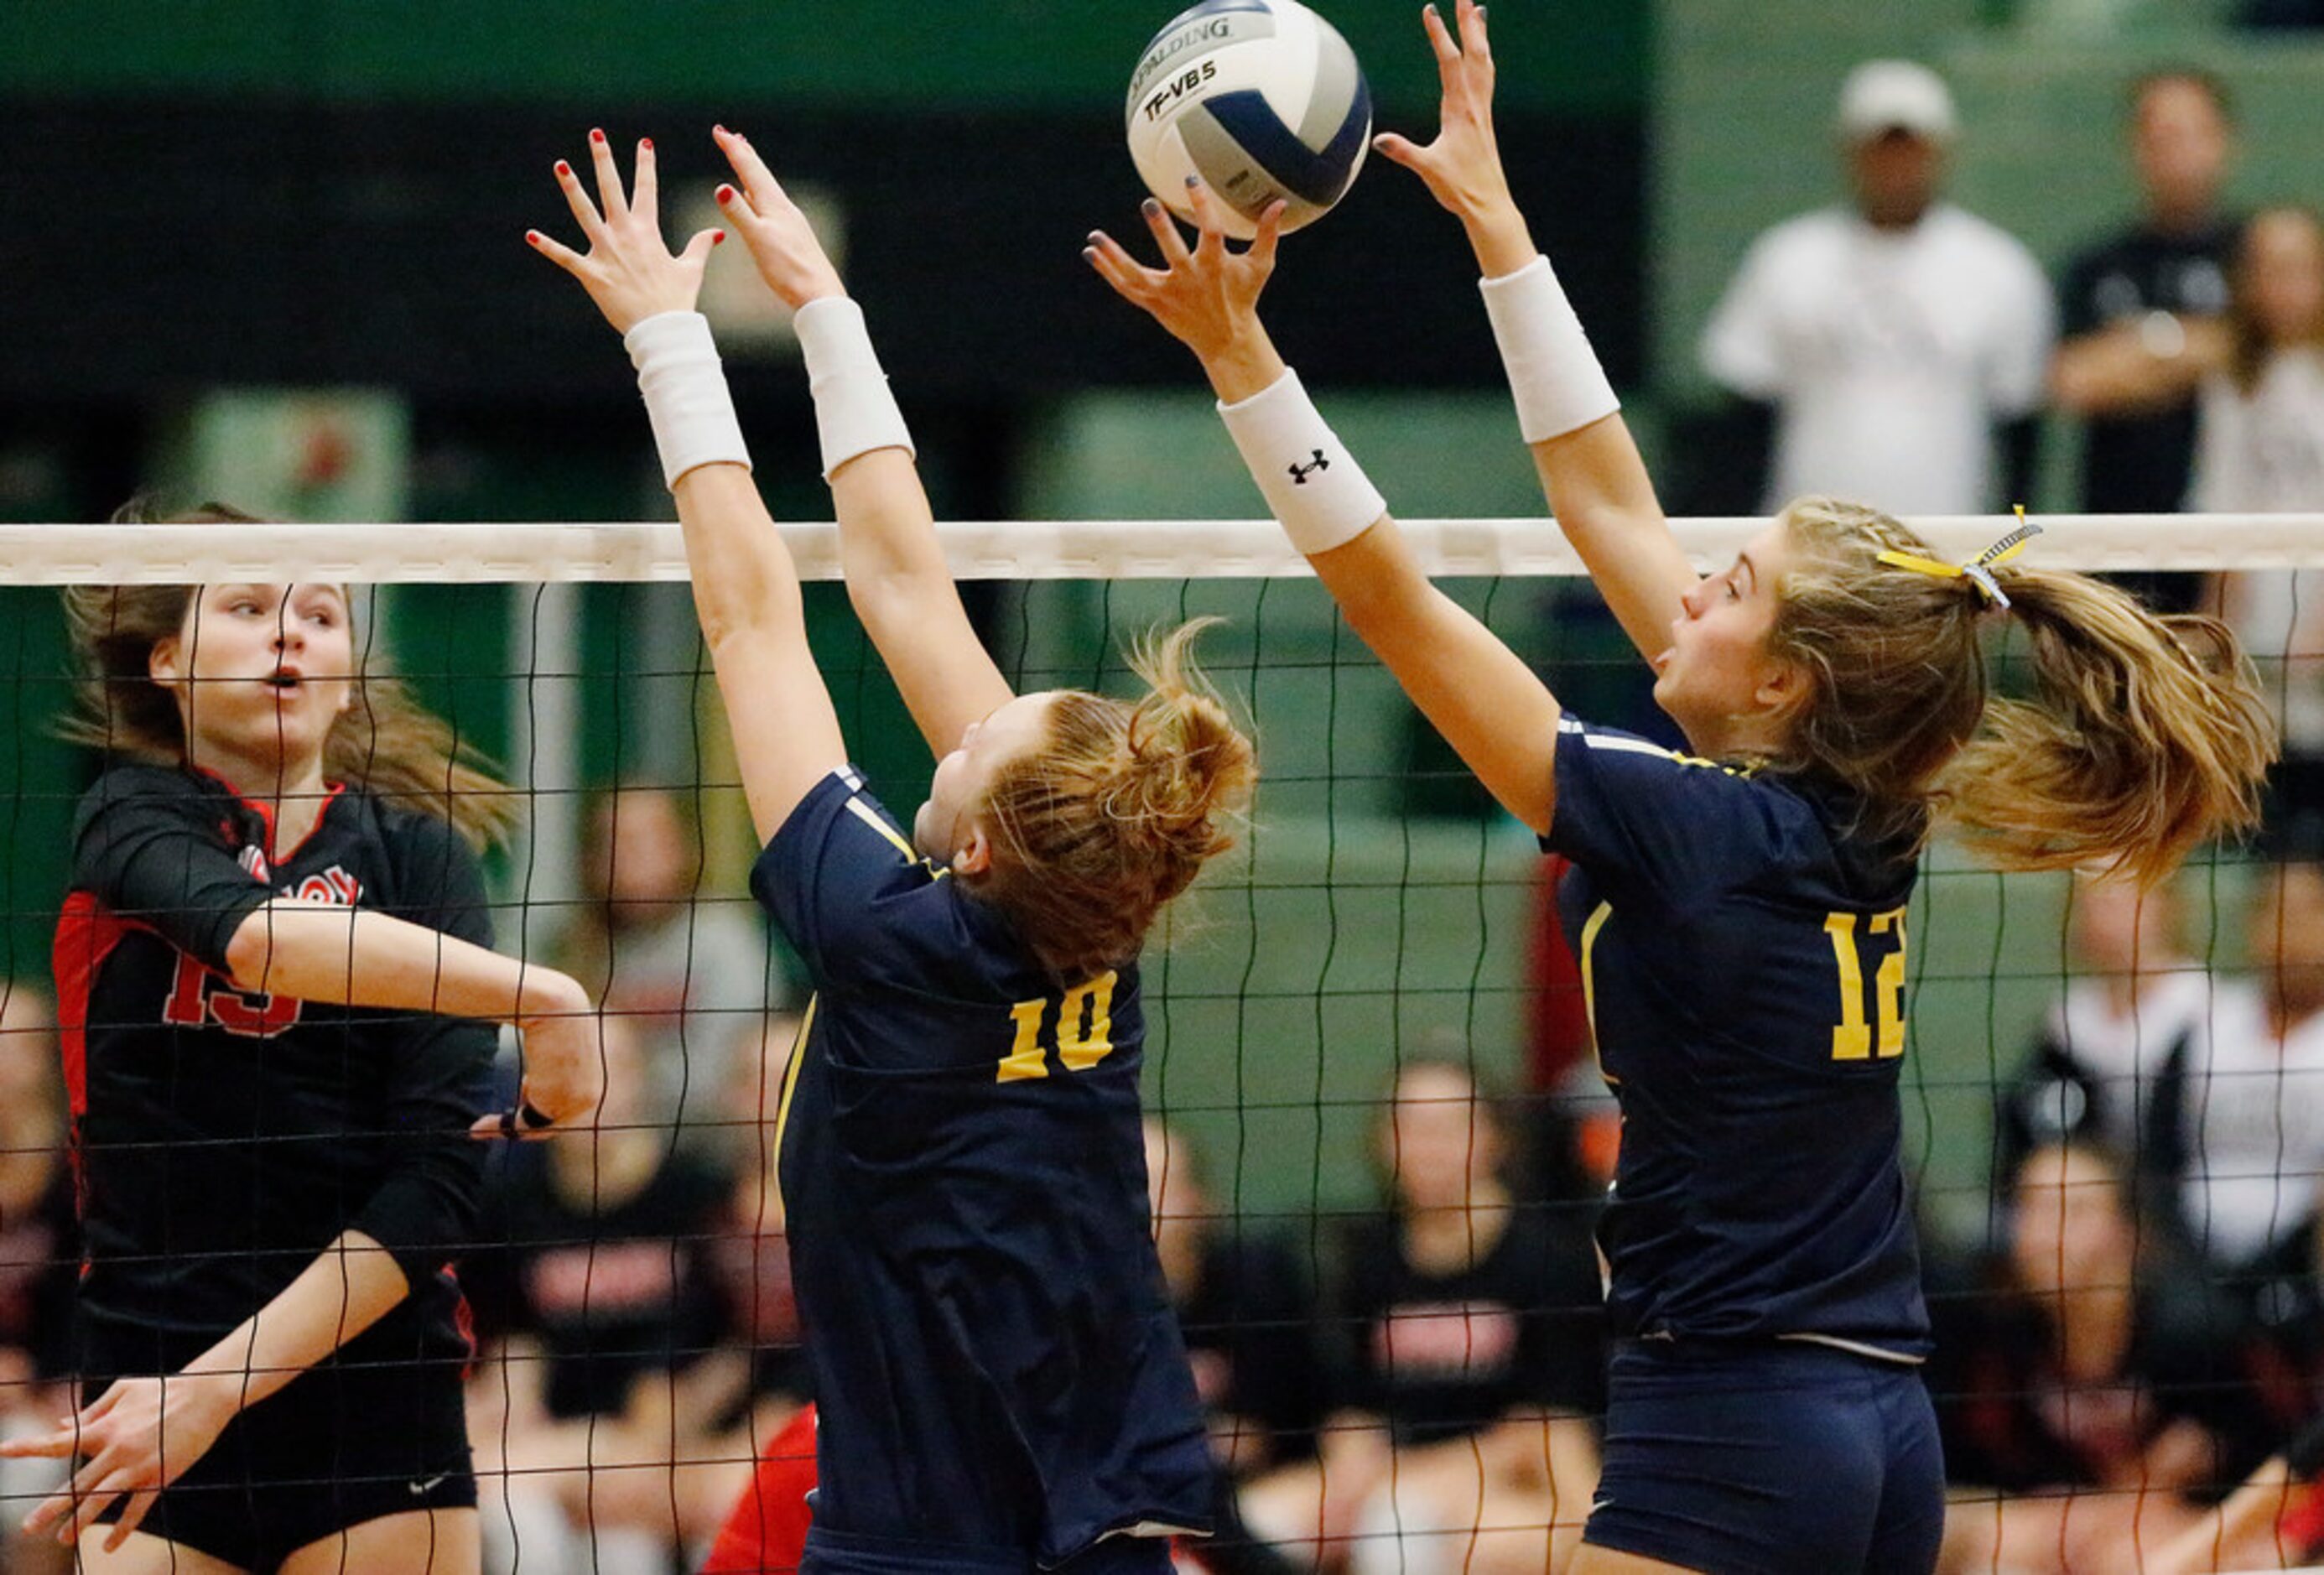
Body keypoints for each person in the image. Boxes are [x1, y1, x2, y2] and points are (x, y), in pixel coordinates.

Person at [1089, 3, 2275, 1569]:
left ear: (1783, 677)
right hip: (1871, 1416)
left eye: (1734, 582)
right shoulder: (1850, 792)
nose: (1696, 576)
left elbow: (1389, 600)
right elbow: (1600, 490)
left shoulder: (1700, 823)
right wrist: (1500, 225)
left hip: (1732, 1420)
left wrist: (1243, 361)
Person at [529, 123, 1257, 1572]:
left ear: (976, 844)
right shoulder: (1090, 899)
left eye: (979, 738)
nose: (959, 724)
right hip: (1106, 1505)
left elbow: (752, 615)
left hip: (919, 1528)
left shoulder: (887, 928)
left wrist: (673, 346)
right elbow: (909, 583)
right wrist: (824, 308)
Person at [0, 505, 604, 1575]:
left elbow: (437, 1185)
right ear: (170, 662)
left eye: (321, 615)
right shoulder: (128, 818)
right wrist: (545, 998)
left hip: (370, 1396)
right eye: (247, 607)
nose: (291, 631)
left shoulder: (423, 857)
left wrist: (215, 1393)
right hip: (152, 1373)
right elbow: (259, 941)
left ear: (348, 671)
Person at [1699, 59, 2055, 516]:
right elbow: (1743, 417)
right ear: (1848, 151)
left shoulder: (1998, 268)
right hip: (1808, 541)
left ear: (1941, 152)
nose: (1896, 165)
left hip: (1948, 544)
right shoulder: (1788, 258)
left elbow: (2019, 426)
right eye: (1881, 148)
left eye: (1910, 148)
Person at [1934, 1142, 2261, 1574]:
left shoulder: (2200, 1337)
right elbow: (1953, 1501)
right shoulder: (1992, 1340)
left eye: (2074, 1210)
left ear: (2127, 1232)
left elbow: (2285, 1489)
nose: (2047, 1233)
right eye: (2031, 1208)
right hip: (2049, 1534)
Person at [2050, 70, 2238, 580]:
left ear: (2225, 141)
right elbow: (2075, 380)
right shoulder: (2096, 265)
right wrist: (2192, 350)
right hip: (2117, 538)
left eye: (2190, 133)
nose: (2175, 151)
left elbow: (2253, 349)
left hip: (2232, 543)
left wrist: (2137, 349)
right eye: (2159, 136)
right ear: (2135, 147)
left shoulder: (2253, 255)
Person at [558, 782, 788, 1156]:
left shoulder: (724, 937)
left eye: (647, 839)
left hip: (709, 1152)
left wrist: (636, 1109)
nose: (629, 855)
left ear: (684, 846)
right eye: (613, 841)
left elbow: (733, 1070)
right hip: (604, 1154)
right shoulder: (576, 949)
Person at [2192, 206, 2324, 819]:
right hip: (2262, 668)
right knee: (2268, 875)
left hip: (2313, 658)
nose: (2283, 285)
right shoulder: (2233, 384)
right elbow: (2224, 523)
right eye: (2267, 269)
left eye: (2298, 268)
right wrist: (2219, 646)